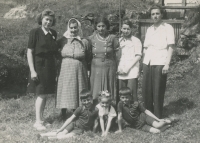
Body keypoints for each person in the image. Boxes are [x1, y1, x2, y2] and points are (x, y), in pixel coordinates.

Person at [27, 9, 58, 131]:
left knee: (45, 94)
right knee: (40, 93)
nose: (48, 22)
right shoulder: (35, 32)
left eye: (51, 20)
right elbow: (29, 52)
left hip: (50, 66)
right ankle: (37, 121)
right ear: (41, 19)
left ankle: (42, 119)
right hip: (39, 65)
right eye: (46, 19)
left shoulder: (53, 33)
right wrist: (32, 70)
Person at [142, 5, 175, 118]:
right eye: (153, 14)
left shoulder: (167, 27)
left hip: (160, 61)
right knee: (147, 90)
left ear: (161, 14)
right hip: (148, 61)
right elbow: (145, 46)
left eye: (157, 13)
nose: (155, 16)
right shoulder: (150, 29)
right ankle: (149, 115)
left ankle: (158, 116)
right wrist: (145, 60)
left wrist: (167, 64)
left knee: (158, 90)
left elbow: (171, 47)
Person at [56, 18, 91, 120]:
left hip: (80, 69)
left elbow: (88, 55)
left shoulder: (84, 41)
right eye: (71, 28)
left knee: (78, 89)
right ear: (68, 28)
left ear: (78, 28)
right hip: (65, 69)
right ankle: (63, 113)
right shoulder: (62, 40)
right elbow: (56, 53)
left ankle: (77, 113)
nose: (73, 30)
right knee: (65, 90)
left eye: (75, 27)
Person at [89, 16, 119, 104]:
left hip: (109, 66)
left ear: (107, 26)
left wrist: (118, 66)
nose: (101, 28)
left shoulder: (112, 38)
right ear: (96, 27)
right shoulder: (91, 38)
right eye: (99, 26)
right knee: (96, 87)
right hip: (96, 67)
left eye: (103, 26)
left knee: (109, 86)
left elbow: (117, 54)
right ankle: (96, 109)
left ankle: (110, 109)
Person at [117, 19, 142, 102]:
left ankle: (133, 112)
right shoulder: (119, 41)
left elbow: (138, 56)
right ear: (121, 29)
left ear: (131, 29)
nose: (126, 31)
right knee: (122, 93)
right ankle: (122, 112)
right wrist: (119, 68)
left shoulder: (136, 40)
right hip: (121, 70)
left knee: (131, 93)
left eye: (128, 29)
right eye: (124, 28)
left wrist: (127, 68)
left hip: (132, 70)